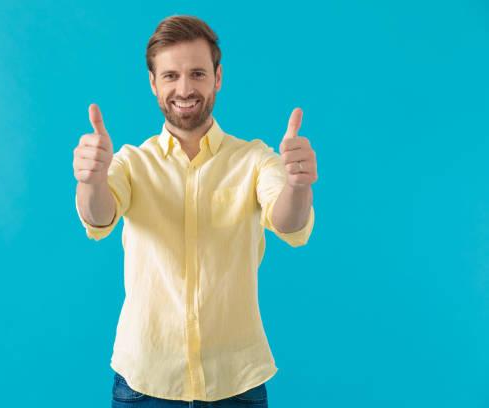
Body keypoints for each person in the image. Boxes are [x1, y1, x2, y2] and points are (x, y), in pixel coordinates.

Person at [72, 14, 318, 407]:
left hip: (236, 385)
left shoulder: (255, 159)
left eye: (198, 73)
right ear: (153, 83)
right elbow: (98, 216)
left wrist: (298, 184)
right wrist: (90, 180)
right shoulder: (131, 162)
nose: (184, 88)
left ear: (217, 78)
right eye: (170, 76)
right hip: (144, 385)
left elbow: (290, 221)